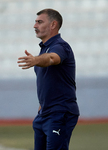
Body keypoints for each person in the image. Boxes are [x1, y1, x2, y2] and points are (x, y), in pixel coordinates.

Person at [17, 9, 79, 150]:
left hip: (59, 112)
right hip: (44, 114)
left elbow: (52, 58)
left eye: (39, 22)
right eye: (35, 22)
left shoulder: (60, 46)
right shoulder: (44, 49)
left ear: (53, 25)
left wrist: (36, 60)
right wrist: (41, 108)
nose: (35, 26)